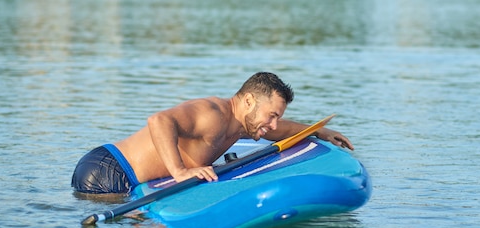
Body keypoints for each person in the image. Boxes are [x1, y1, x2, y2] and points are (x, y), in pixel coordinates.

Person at [71, 72, 354, 195]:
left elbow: (279, 132)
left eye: (277, 117)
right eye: (272, 115)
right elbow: (159, 121)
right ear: (248, 101)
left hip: (118, 174)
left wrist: (321, 131)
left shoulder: (242, 124)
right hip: (109, 172)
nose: (275, 124)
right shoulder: (213, 114)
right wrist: (180, 172)